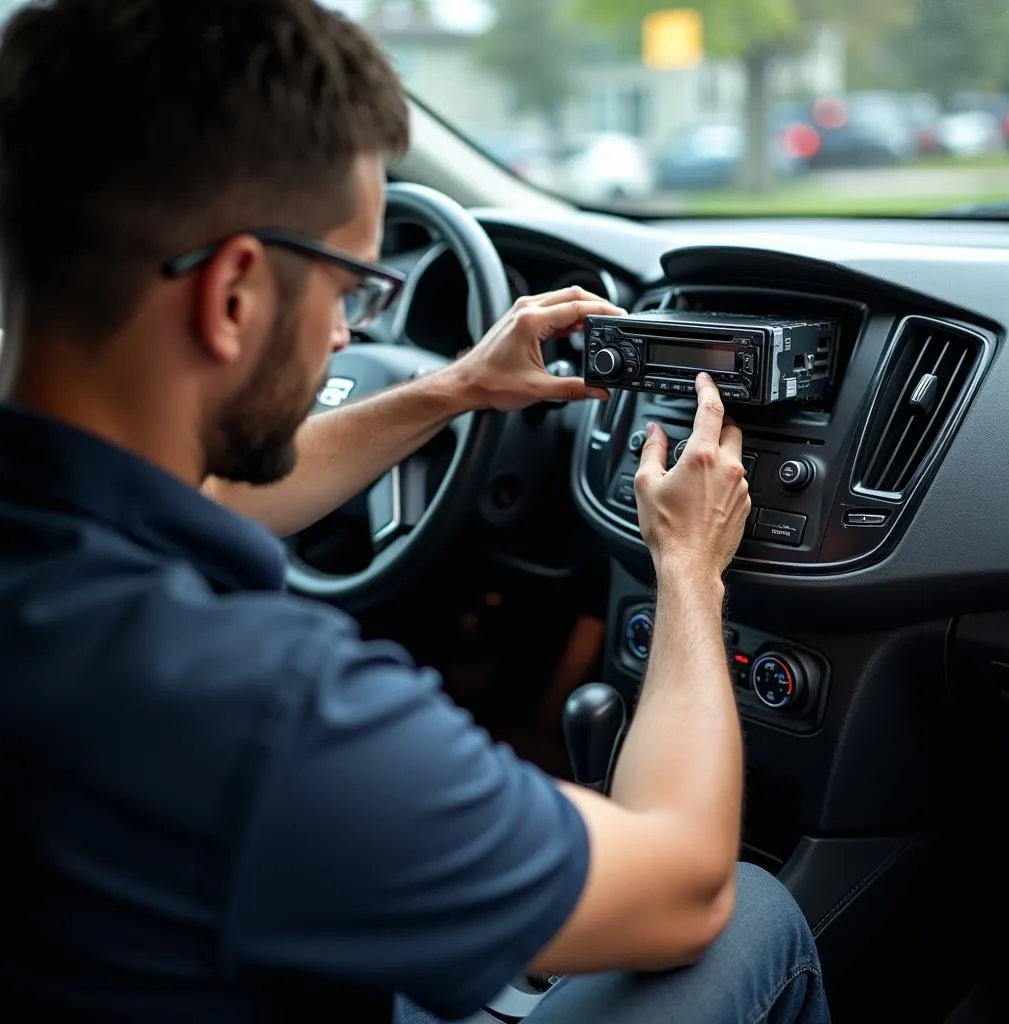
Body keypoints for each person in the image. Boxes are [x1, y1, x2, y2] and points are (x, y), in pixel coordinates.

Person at [0, 2, 830, 1022]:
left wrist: (454, 390)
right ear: (233, 297)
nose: (350, 333)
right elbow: (686, 884)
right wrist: (689, 571)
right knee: (755, 916)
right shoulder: (258, 711)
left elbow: (217, 492)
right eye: (350, 282)